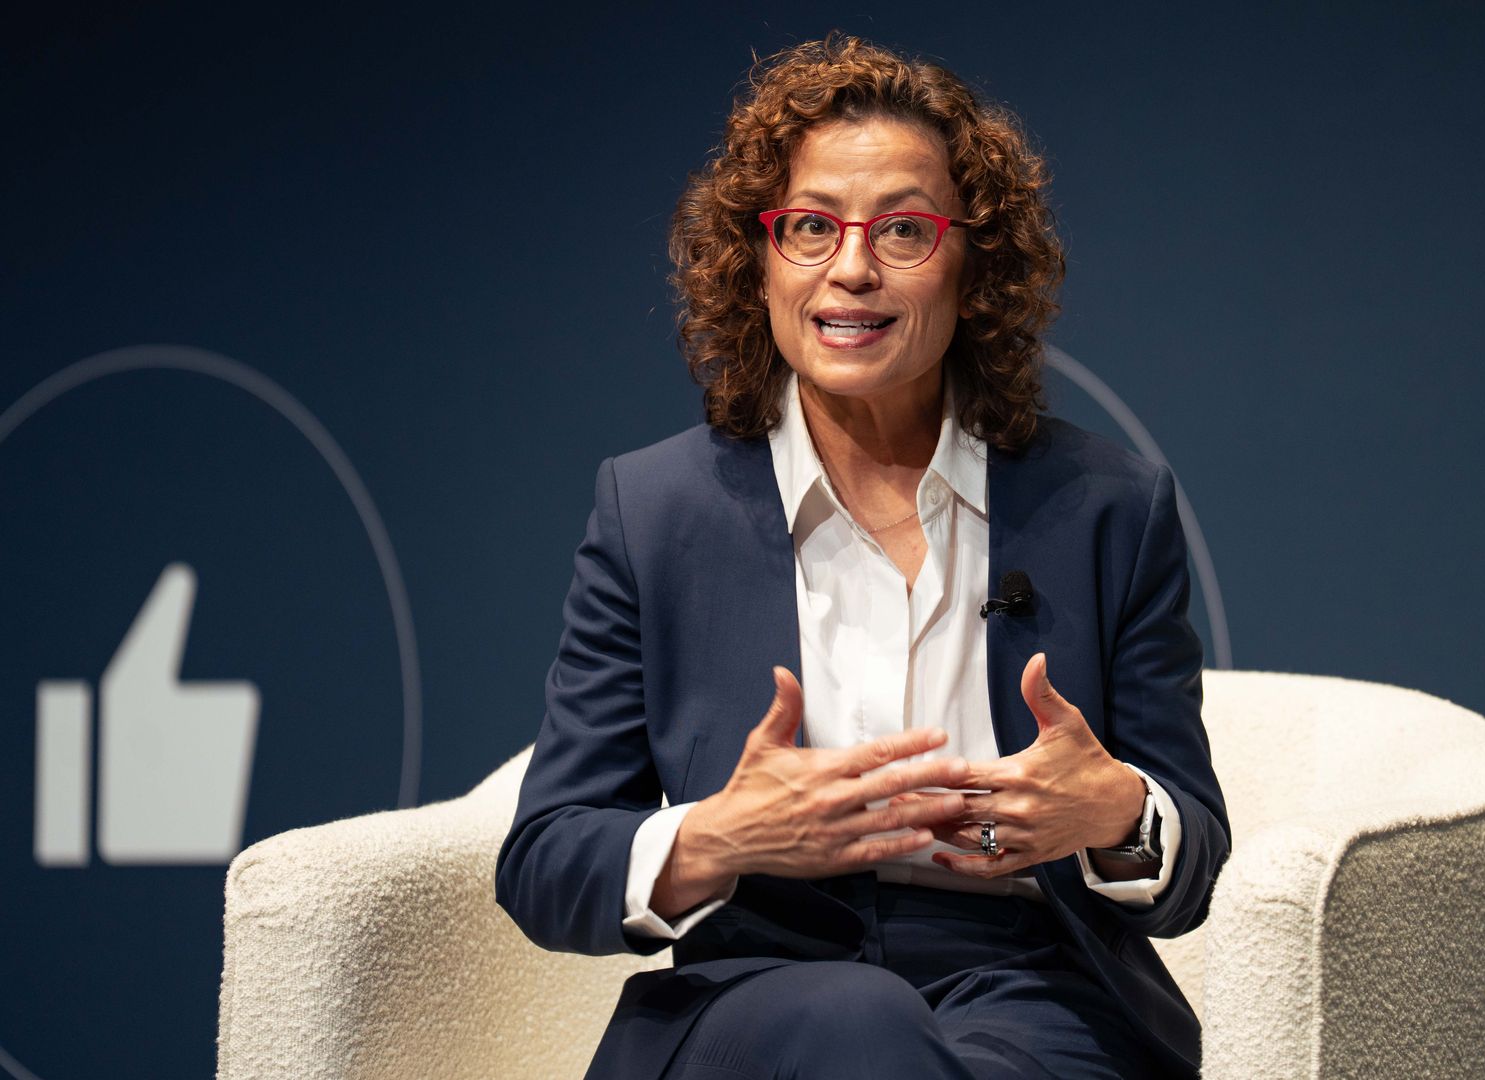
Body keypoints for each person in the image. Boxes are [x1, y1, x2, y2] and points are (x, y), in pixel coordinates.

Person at [495, 35, 1229, 1080]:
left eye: (903, 230)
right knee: (858, 1023)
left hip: (1032, 987)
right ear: (758, 260)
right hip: (752, 987)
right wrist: (723, 835)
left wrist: (1114, 814)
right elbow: (545, 862)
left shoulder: (1108, 508)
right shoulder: (656, 512)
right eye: (809, 226)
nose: (851, 266)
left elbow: (1190, 854)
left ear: (973, 264)